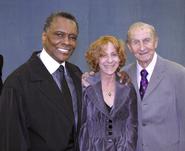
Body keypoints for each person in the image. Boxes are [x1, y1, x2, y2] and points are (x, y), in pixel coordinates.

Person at [0, 11, 82, 151]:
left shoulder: (77, 74)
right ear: (44, 36)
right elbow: (11, 143)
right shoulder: (17, 83)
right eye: (59, 35)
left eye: (72, 37)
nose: (67, 42)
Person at [124, 21, 185, 151]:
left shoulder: (178, 73)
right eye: (135, 42)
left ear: (156, 42)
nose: (142, 47)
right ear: (129, 47)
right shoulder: (123, 75)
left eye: (146, 40)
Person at [79, 35, 138, 151]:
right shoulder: (85, 87)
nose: (110, 60)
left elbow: (132, 126)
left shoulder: (127, 86)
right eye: (103, 55)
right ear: (96, 59)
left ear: (120, 58)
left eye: (114, 54)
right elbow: (81, 127)